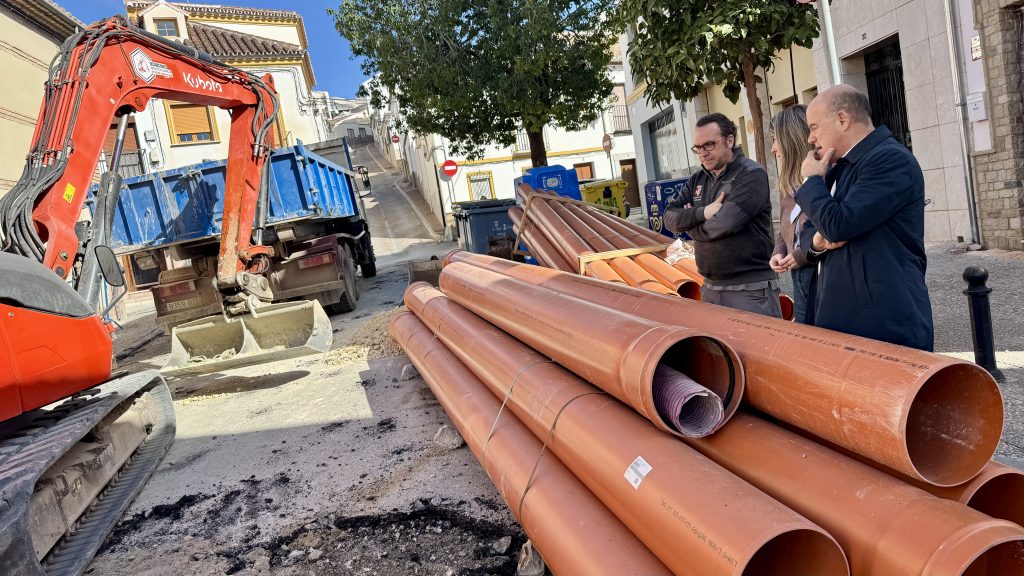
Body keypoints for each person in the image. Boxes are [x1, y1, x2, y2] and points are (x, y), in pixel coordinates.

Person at [796, 84, 933, 351]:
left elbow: (838, 225)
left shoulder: (890, 160)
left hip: (881, 323)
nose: (811, 139)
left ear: (843, 119)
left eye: (814, 127)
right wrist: (816, 243)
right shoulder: (841, 165)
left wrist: (811, 179)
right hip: (843, 317)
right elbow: (812, 228)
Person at [664, 113, 781, 318]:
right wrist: (703, 212)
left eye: (709, 145)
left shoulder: (751, 175)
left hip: (750, 290)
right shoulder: (697, 179)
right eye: (698, 148)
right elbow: (669, 217)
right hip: (710, 288)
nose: (702, 153)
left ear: (729, 140)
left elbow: (725, 223)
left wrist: (689, 224)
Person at [768, 106, 816, 324]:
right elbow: (787, 227)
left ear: (791, 140)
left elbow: (824, 228)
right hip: (798, 273)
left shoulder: (821, 177)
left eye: (776, 140)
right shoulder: (787, 183)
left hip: (817, 272)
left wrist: (799, 255)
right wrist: (779, 251)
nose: (773, 149)